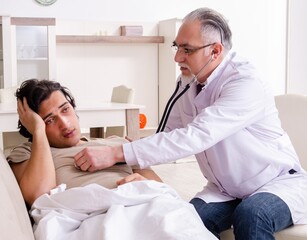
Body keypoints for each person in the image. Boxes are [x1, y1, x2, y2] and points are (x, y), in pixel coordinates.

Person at [73, 7, 307, 240]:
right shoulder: (187, 82)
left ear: (215, 51)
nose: (177, 58)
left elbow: (196, 135)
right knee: (183, 222)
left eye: (187, 50)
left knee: (252, 214)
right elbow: (170, 134)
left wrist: (117, 153)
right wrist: (138, 166)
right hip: (226, 190)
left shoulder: (245, 83)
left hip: (276, 183)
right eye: (177, 47)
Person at [7, 79, 162, 207]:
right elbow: (38, 196)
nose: (65, 124)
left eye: (65, 109)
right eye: (50, 120)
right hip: (94, 215)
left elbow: (161, 188)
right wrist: (38, 131)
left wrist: (146, 183)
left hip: (141, 203)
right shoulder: (27, 152)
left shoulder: (119, 143)